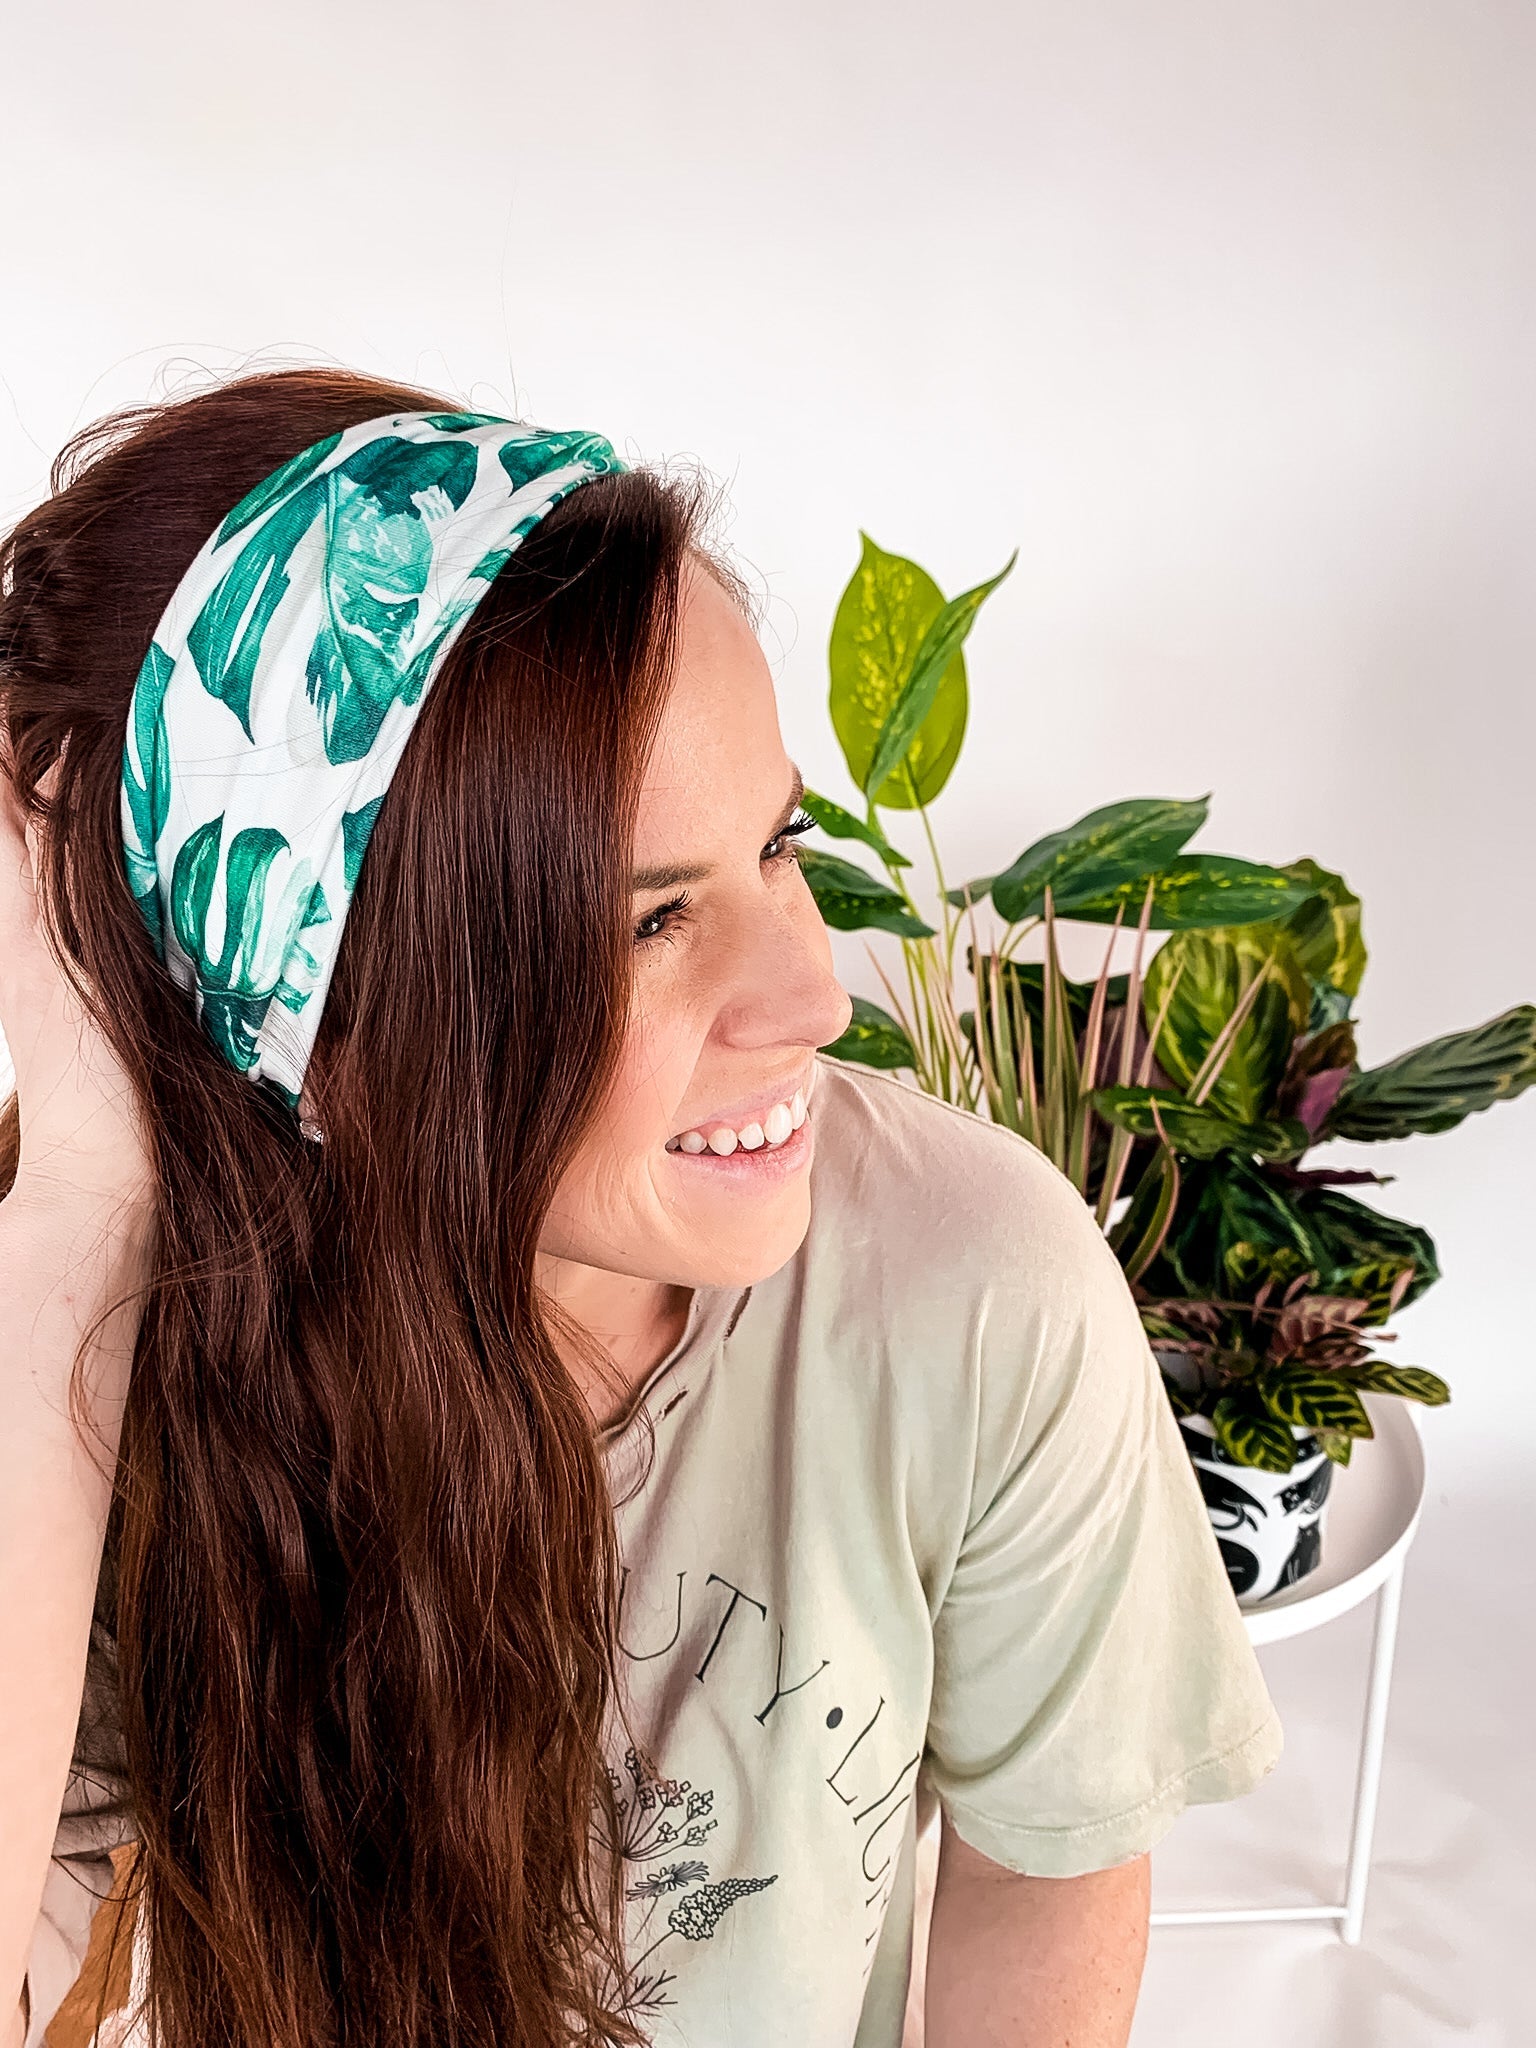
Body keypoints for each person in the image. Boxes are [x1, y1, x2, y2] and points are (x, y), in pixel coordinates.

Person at [0, 368, 1282, 2048]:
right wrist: (79, 1200)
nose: (815, 996)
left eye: (780, 844)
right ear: (324, 1038)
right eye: (649, 925)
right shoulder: (79, 1365)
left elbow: (1047, 1877)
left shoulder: (971, 1285)